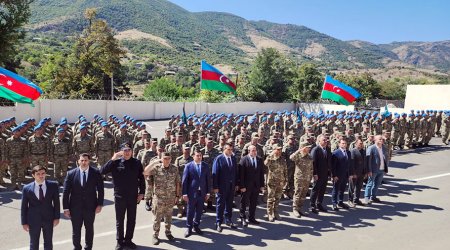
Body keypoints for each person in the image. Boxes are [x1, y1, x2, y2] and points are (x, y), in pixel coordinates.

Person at [101, 143, 145, 250]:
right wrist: (113, 159)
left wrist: (142, 193)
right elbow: (102, 171)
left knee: (131, 219)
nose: (127, 152)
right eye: (124, 150)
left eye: (129, 150)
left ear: (131, 151)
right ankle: (120, 242)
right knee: (119, 220)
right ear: (121, 152)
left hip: (133, 196)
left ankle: (128, 240)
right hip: (119, 196)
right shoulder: (115, 163)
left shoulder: (137, 163)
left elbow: (141, 178)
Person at [63, 153, 104, 250]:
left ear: (89, 161)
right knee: (76, 230)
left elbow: (101, 189)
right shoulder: (71, 174)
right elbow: (66, 192)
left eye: (86, 160)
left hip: (91, 207)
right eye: (82, 160)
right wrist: (66, 208)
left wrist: (100, 204)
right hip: (75, 207)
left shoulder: (96, 172)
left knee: (89, 229)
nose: (84, 162)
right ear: (78, 161)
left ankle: (88, 247)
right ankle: (77, 247)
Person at [144, 152, 180, 245]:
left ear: (171, 159)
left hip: (170, 198)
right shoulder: (157, 168)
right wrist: (154, 162)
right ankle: (155, 235)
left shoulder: (174, 168)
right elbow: (145, 172)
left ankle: (168, 232)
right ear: (162, 159)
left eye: (168, 158)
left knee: (169, 217)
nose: (167, 160)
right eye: (165, 158)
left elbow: (177, 183)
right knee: (157, 217)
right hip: (158, 198)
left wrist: (177, 196)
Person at [21, 165, 60, 250]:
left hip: (49, 218)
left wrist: (57, 217)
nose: (41, 175)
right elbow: (24, 207)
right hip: (33, 220)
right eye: (38, 174)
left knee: (48, 242)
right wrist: (24, 222)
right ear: (33, 175)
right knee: (34, 243)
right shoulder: (26, 188)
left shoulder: (53, 186)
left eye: (43, 173)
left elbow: (56, 203)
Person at [182, 150, 210, 237]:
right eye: (197, 155)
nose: (199, 157)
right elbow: (184, 181)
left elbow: (208, 180)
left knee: (199, 211)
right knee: (190, 211)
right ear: (193, 156)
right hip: (191, 193)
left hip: (202, 193)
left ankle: (196, 226)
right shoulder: (188, 166)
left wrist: (208, 192)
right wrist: (185, 194)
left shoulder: (205, 166)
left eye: (200, 155)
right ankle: (189, 228)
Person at [212, 143, 239, 232]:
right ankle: (218, 222)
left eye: (231, 149)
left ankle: (228, 220)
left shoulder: (233, 158)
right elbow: (215, 174)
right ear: (224, 149)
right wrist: (215, 187)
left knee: (229, 204)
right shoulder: (219, 159)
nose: (230, 151)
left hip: (231, 186)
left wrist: (236, 184)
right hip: (221, 186)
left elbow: (235, 172)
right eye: (229, 149)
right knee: (220, 204)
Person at [238, 145, 265, 226]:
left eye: (255, 150)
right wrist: (242, 186)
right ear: (249, 151)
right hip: (246, 186)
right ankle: (243, 218)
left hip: (256, 186)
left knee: (253, 203)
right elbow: (241, 175)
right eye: (252, 150)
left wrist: (262, 185)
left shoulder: (259, 159)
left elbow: (261, 173)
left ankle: (251, 218)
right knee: (244, 202)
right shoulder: (244, 159)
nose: (254, 152)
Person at [290, 141, 313, 218]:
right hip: (299, 178)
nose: (309, 148)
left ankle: (300, 208)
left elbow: (311, 168)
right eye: (307, 147)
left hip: (307, 179)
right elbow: (291, 157)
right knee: (298, 193)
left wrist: (311, 177)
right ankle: (295, 209)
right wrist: (298, 150)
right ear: (303, 148)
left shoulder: (309, 157)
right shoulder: (299, 156)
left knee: (303, 194)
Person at [264, 144, 287, 222]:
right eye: (277, 149)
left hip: (280, 182)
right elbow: (265, 163)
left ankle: (275, 212)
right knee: (270, 199)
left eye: (280, 149)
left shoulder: (282, 159)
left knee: (278, 198)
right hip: (272, 182)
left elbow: (285, 170)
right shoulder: (270, 158)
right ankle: (269, 213)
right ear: (274, 150)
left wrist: (285, 180)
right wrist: (271, 155)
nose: (279, 151)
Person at [309, 135, 331, 214]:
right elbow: (313, 163)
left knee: (322, 190)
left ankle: (319, 204)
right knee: (315, 189)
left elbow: (329, 162)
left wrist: (329, 173)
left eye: (326, 140)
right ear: (319, 141)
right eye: (324, 140)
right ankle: (312, 205)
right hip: (318, 174)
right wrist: (314, 174)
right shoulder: (315, 150)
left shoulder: (328, 149)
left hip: (325, 174)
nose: (326, 142)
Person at [364, 135, 389, 204]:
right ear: (375, 140)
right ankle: (367, 198)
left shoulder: (384, 147)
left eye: (382, 139)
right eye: (380, 139)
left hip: (381, 169)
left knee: (377, 184)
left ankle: (373, 197)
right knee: (370, 184)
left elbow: (386, 158)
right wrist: (369, 170)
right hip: (373, 170)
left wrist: (385, 168)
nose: (381, 140)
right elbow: (368, 160)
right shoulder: (371, 148)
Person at [331, 139, 351, 211]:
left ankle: (340, 202)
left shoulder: (348, 152)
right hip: (337, 175)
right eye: (342, 143)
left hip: (345, 175)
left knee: (342, 189)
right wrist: (334, 175)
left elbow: (349, 164)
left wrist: (349, 174)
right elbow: (333, 166)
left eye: (345, 143)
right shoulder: (335, 153)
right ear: (339, 144)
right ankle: (334, 203)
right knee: (336, 189)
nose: (344, 145)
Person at [348, 139, 367, 206]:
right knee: (352, 188)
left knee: (359, 188)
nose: (361, 144)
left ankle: (356, 200)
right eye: (360, 143)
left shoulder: (364, 151)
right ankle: (350, 200)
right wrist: (353, 173)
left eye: (362, 143)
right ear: (356, 144)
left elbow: (365, 163)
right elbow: (351, 163)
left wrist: (365, 173)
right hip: (354, 173)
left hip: (361, 173)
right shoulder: (353, 151)